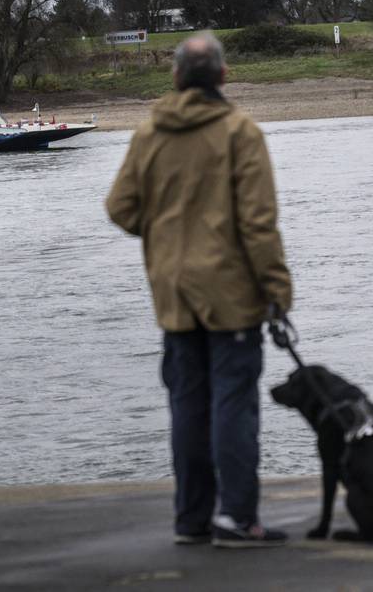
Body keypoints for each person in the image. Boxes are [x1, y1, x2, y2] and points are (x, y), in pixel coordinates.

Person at [106, 32, 293, 548]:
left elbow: (120, 208)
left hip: (173, 294)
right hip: (231, 293)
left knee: (187, 406)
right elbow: (258, 224)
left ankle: (191, 520)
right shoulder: (239, 132)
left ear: (175, 78)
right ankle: (236, 518)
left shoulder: (150, 133)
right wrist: (277, 289)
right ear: (224, 76)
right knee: (234, 405)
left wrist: (165, 234)